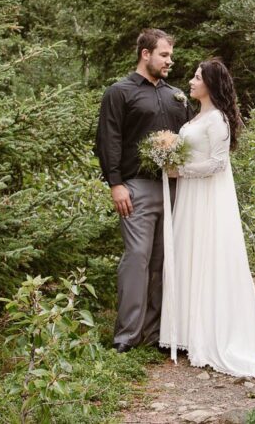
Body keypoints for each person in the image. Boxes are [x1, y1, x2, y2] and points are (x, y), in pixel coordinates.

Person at [159, 58, 255, 377]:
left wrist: (181, 171)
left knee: (206, 256)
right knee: (188, 253)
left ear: (210, 83)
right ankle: (185, 331)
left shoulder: (218, 120)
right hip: (191, 198)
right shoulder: (197, 117)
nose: (191, 81)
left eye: (196, 77)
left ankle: (208, 333)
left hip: (207, 197)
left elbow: (218, 164)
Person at [94, 28, 191, 353]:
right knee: (137, 258)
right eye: (164, 55)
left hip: (175, 189)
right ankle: (127, 336)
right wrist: (116, 184)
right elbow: (109, 139)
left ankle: (157, 334)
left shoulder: (176, 95)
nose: (169, 61)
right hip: (136, 187)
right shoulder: (119, 92)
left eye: (170, 56)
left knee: (165, 261)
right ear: (145, 54)